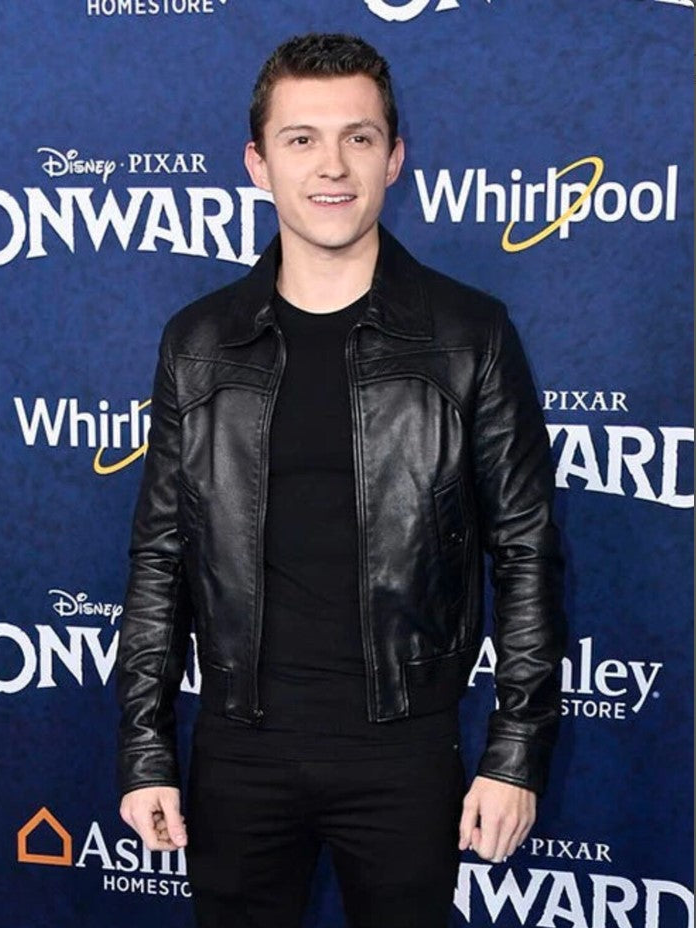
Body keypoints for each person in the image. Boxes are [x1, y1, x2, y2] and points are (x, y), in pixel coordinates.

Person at [116, 32, 566, 928]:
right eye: (301, 139)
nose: (332, 165)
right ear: (258, 163)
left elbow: (526, 553)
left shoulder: (469, 335)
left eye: (359, 137)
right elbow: (161, 555)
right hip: (239, 752)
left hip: (403, 754)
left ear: (393, 159)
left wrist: (515, 750)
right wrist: (144, 749)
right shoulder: (198, 343)